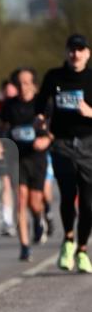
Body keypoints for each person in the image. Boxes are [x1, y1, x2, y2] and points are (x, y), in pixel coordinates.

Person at [36, 33, 92, 273]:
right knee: (68, 193)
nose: (75, 54)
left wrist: (90, 112)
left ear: (88, 53)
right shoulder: (53, 77)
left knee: (89, 204)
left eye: (80, 50)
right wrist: (40, 122)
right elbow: (40, 107)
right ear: (66, 52)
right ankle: (68, 239)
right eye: (71, 49)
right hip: (62, 143)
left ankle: (81, 250)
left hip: (89, 143)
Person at [0, 68, 51, 261]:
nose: (23, 87)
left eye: (27, 83)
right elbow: (0, 127)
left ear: (34, 84)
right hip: (17, 158)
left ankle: (38, 218)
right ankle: (25, 246)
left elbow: (55, 129)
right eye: (19, 83)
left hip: (37, 158)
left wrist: (46, 140)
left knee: (35, 202)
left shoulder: (42, 104)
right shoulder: (9, 106)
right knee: (21, 201)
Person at [0, 79, 19, 236]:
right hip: (3, 152)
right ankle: (7, 221)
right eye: (6, 91)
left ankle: (25, 217)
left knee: (19, 189)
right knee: (4, 186)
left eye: (11, 91)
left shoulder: (23, 106)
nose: (8, 94)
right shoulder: (0, 108)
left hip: (22, 153)